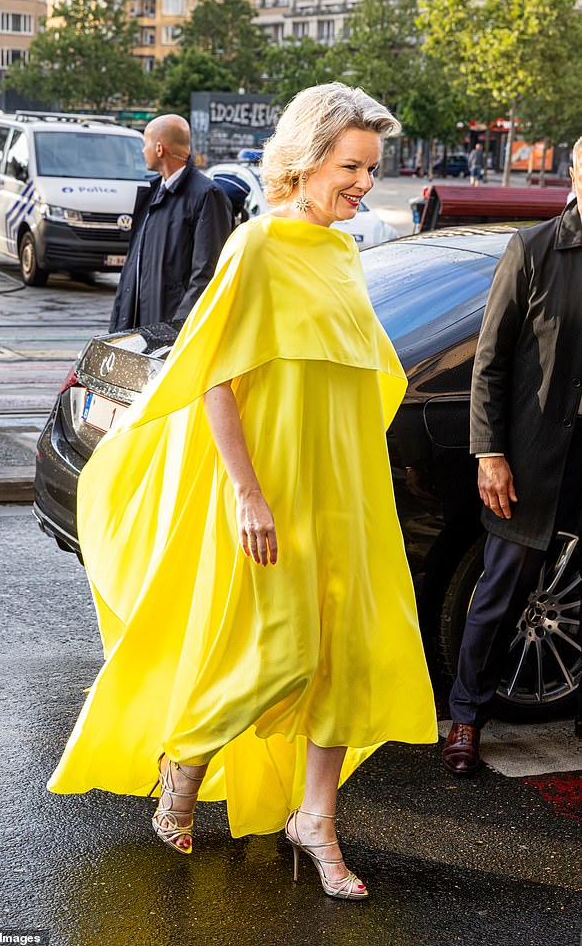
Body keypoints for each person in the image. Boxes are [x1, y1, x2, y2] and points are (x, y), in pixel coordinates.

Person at [48, 83, 437, 900]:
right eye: (353, 166)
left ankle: (317, 821)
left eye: (373, 168)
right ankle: (184, 760)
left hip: (346, 483)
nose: (367, 183)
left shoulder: (340, 253)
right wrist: (247, 493)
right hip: (278, 487)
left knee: (347, 660)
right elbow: (217, 377)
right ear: (306, 157)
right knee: (284, 649)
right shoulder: (258, 245)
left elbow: (357, 373)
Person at [442, 135, 582, 777]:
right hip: (530, 460)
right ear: (574, 173)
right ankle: (467, 718)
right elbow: (489, 365)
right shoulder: (533, 251)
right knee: (500, 593)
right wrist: (489, 452)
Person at [110, 114, 232, 333]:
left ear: (159, 149)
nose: (142, 150)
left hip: (173, 335)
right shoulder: (153, 192)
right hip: (140, 331)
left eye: (145, 143)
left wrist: (176, 330)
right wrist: (119, 325)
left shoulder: (206, 195)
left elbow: (207, 274)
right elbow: (132, 269)